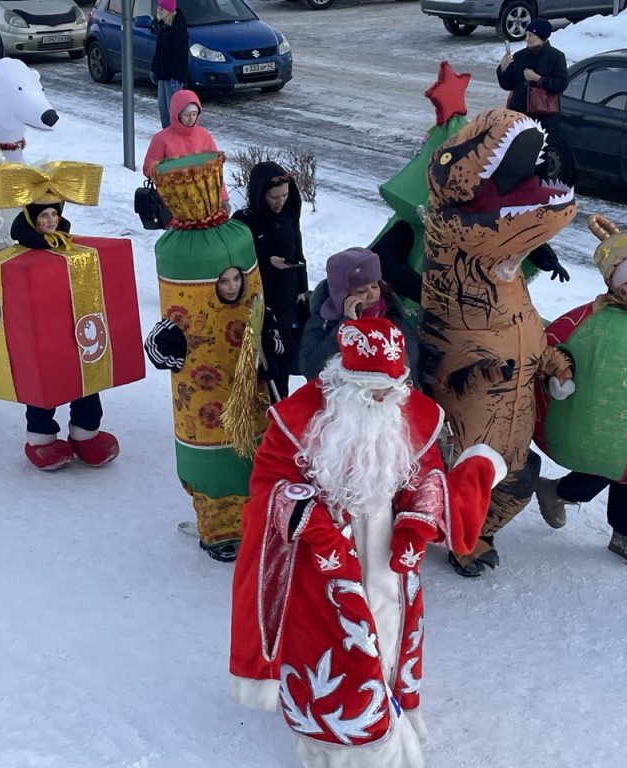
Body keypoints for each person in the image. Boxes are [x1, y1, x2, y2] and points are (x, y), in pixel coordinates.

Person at [229, 316, 506, 768]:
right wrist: (317, 528)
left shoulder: (406, 410)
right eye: (372, 391)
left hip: (386, 556)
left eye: (392, 389)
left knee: (390, 634)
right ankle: (348, 743)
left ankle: (391, 708)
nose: (384, 399)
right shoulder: (298, 419)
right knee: (337, 652)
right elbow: (269, 487)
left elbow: (426, 473)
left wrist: (416, 524)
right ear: (344, 381)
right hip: (319, 563)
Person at [534, 214, 627, 562]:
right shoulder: (592, 319)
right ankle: (557, 490)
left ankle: (621, 531)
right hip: (601, 417)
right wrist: (561, 374)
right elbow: (556, 342)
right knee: (608, 463)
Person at [10, 200, 120, 470]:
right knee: (43, 388)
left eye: (54, 214)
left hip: (75, 328)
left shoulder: (70, 245)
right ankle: (42, 439)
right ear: (31, 220)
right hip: (40, 336)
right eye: (43, 216)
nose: (50, 221)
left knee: (86, 382)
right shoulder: (19, 256)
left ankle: (86, 433)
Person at [232, 162, 308, 396]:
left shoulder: (289, 213)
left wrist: (301, 288)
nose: (280, 201)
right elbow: (237, 262)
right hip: (258, 298)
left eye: (284, 195)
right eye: (275, 197)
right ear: (260, 194)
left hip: (286, 297)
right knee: (260, 359)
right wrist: (267, 262)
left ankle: (280, 405)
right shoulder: (245, 220)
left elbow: (298, 249)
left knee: (282, 356)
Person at [299, 247, 421, 385]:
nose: (372, 295)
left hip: (393, 399)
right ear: (341, 295)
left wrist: (424, 357)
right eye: (361, 291)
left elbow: (408, 353)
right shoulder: (326, 319)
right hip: (349, 400)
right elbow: (309, 367)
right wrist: (346, 326)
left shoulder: (390, 309)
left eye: (375, 286)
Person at [143, 90, 227, 207]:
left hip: (205, 202)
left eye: (194, 114)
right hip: (174, 203)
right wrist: (172, 173)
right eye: (187, 115)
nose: (191, 119)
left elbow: (216, 170)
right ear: (177, 114)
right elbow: (148, 168)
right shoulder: (161, 139)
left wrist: (223, 198)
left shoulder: (204, 135)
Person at [497, 18, 567, 138]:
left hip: (543, 117)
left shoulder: (556, 57)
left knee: (539, 153)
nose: (527, 39)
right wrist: (503, 69)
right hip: (519, 114)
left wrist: (538, 79)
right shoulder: (519, 56)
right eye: (526, 35)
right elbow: (507, 85)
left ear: (541, 38)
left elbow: (561, 84)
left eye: (531, 35)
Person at [150, 0, 188, 130]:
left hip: (173, 78)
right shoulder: (163, 27)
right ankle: (166, 136)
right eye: (159, 8)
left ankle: (176, 136)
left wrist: (176, 77)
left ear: (170, 10)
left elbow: (181, 55)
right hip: (162, 75)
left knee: (174, 110)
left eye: (162, 9)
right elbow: (159, 51)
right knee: (163, 109)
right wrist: (155, 69)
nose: (159, 11)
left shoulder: (179, 29)